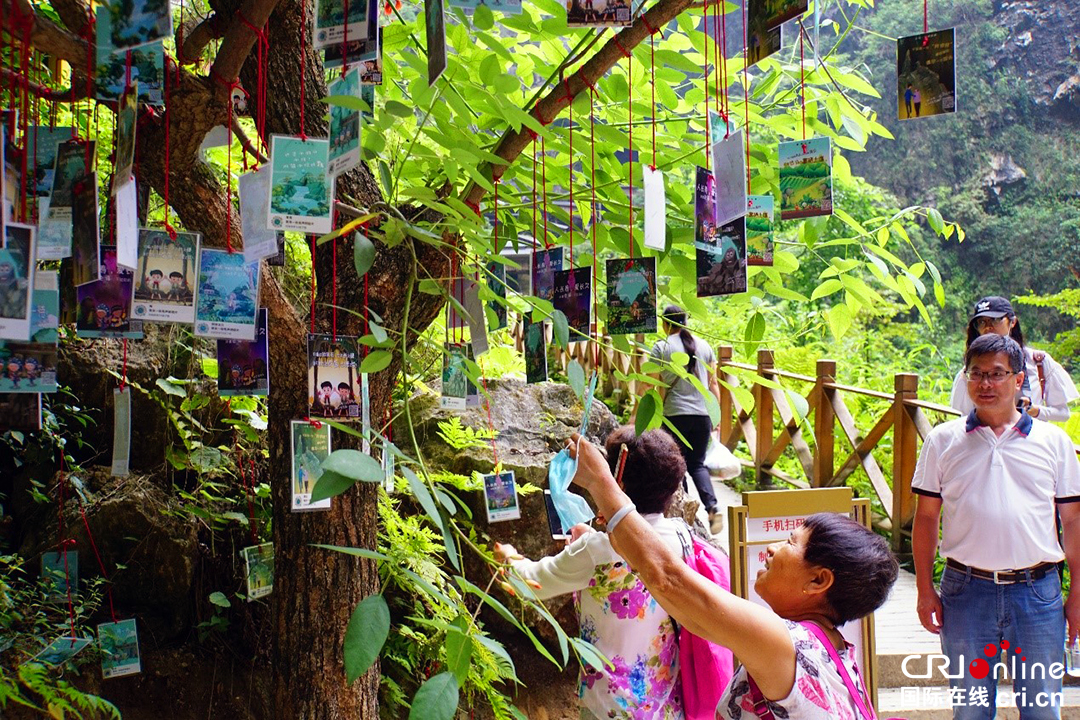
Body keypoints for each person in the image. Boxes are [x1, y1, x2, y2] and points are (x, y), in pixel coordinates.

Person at [563, 430, 899, 719]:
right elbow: (690, 611)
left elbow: (668, 580)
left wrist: (601, 482)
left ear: (818, 581)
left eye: (791, 542)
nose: (771, 549)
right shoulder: (834, 653)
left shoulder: (787, 644)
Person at [913, 333, 1080, 720]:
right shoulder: (942, 441)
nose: (985, 384)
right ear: (966, 378)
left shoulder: (1054, 442)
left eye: (997, 374)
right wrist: (924, 588)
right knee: (970, 711)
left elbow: (1072, 521)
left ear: (1018, 380)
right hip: (966, 591)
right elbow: (926, 517)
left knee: (1041, 710)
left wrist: (1076, 595)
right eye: (977, 374)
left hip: (1038, 593)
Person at [494, 427, 704, 720]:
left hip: (608, 706)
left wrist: (507, 558)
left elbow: (531, 583)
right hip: (666, 702)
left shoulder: (597, 551)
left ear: (616, 480)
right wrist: (590, 537)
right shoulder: (682, 536)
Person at [650, 305, 725, 534]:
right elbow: (713, 384)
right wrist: (716, 415)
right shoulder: (705, 346)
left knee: (677, 465)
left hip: (675, 416)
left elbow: (652, 384)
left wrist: (644, 416)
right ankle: (712, 506)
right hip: (702, 415)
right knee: (696, 464)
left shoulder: (661, 347)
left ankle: (684, 514)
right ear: (685, 321)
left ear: (666, 323)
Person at [949, 296, 1078, 422]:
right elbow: (962, 417)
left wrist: (1034, 410)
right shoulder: (968, 373)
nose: (988, 327)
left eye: (995, 320)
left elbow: (1063, 414)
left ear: (1012, 322)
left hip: (1030, 440)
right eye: (982, 322)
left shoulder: (1038, 362)